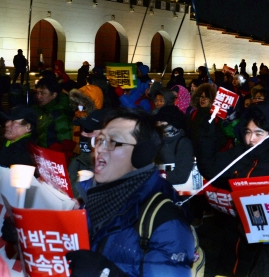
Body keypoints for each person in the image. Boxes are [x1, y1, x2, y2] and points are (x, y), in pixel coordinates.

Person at [66, 109, 195, 277]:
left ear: (141, 154)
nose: (100, 149)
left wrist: (108, 273)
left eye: (113, 142)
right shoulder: (90, 201)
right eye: (99, 140)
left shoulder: (166, 222)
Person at [195, 101, 269, 189]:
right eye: (248, 132)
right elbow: (210, 168)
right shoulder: (240, 153)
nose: (251, 138)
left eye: (258, 134)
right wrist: (206, 135)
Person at [32, 78, 74, 159]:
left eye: (43, 93)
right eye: (37, 93)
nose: (38, 96)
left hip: (50, 159)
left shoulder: (60, 115)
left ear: (54, 95)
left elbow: (66, 146)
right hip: (39, 156)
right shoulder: (39, 110)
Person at [154, 105, 194, 185]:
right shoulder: (157, 140)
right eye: (158, 121)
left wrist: (154, 178)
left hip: (177, 194)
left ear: (172, 122)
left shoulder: (183, 143)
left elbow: (181, 176)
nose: (159, 124)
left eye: (162, 121)